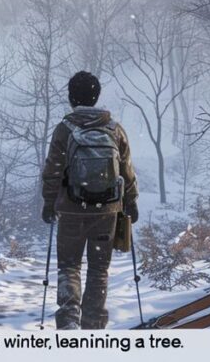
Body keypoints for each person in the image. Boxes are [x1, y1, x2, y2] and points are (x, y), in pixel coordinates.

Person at [41, 70, 139, 329]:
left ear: (72, 98)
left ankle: (69, 321)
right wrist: (131, 202)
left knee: (69, 266)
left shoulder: (65, 129)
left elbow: (52, 171)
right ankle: (93, 325)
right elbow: (127, 171)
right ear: (96, 98)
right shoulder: (114, 129)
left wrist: (49, 203)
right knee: (99, 270)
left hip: (71, 212)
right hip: (106, 212)